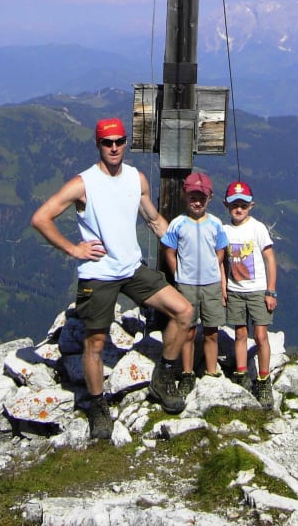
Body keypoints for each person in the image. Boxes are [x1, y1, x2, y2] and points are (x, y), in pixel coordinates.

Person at [30, 117, 194, 439]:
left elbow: (153, 220)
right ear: (98, 145)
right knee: (95, 342)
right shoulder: (83, 184)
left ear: (126, 143)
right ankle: (97, 405)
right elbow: (41, 218)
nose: (115, 147)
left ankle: (162, 378)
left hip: (132, 268)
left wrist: (185, 247)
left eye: (119, 141)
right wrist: (73, 249)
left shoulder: (136, 179)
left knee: (184, 311)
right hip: (99, 273)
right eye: (108, 142)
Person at [160, 170, 229, 394]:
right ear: (185, 196)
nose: (197, 202)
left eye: (202, 198)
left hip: (211, 284)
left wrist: (213, 268)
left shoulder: (216, 224)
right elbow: (169, 251)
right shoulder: (177, 224)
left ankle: (211, 372)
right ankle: (187, 373)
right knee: (188, 331)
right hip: (186, 284)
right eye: (193, 197)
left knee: (211, 331)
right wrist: (178, 274)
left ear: (209, 198)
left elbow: (221, 250)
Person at [222, 179, 278, 409]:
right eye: (235, 204)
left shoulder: (257, 228)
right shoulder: (224, 231)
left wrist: (270, 291)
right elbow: (221, 261)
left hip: (257, 290)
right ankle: (241, 374)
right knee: (240, 334)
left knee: (261, 335)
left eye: (243, 205)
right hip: (235, 290)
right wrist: (224, 287)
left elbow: (270, 259)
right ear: (226, 205)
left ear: (251, 206)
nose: (239, 209)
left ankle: (263, 379)